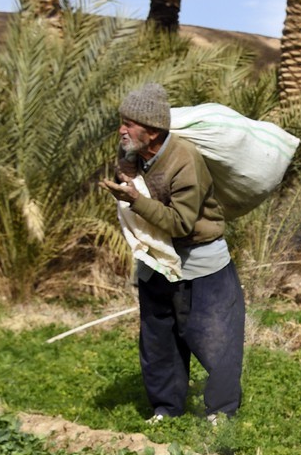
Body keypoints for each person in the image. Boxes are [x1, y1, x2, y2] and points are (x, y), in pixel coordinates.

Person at [101, 82, 244, 424]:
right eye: (122, 120)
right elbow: (132, 181)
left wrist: (134, 200)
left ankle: (220, 412)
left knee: (215, 339)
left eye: (129, 123)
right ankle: (167, 408)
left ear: (152, 130)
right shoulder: (132, 151)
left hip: (201, 265)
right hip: (156, 262)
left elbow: (181, 224)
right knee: (158, 339)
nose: (122, 129)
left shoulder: (184, 161)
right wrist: (127, 179)